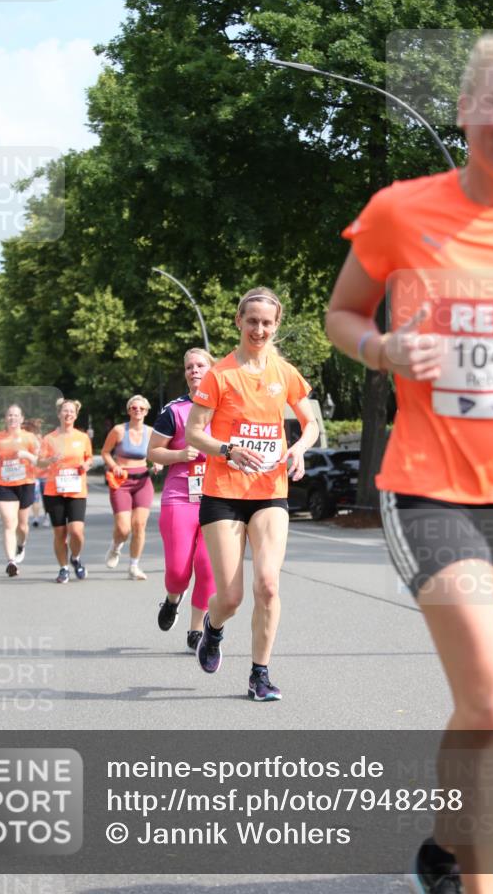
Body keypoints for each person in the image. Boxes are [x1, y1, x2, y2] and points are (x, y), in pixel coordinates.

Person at [325, 32, 493, 894]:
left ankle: (443, 847)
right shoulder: (401, 209)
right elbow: (341, 313)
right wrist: (384, 349)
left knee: (486, 710)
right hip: (431, 484)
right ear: (467, 107)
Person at [185, 287, 319, 701]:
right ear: (239, 322)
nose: (259, 329)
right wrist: (227, 449)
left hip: (269, 491)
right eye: (252, 321)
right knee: (231, 596)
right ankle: (213, 628)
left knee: (268, 585)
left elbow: (309, 423)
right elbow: (194, 432)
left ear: (276, 325)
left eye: (267, 322)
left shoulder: (285, 372)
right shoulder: (219, 374)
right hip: (223, 493)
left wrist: (298, 447)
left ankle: (259, 674)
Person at [148, 348, 217, 652]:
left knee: (208, 566)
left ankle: (196, 630)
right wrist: (179, 454)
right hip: (180, 496)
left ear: (212, 369)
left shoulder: (226, 408)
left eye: (200, 365)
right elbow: (153, 452)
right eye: (189, 367)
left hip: (218, 497)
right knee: (178, 571)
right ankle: (173, 598)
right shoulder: (174, 410)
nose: (194, 370)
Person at [101, 394, 160, 581]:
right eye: (134, 408)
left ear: (147, 411)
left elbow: (158, 453)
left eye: (142, 408)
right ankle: (116, 547)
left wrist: (158, 463)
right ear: (128, 411)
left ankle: (134, 566)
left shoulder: (151, 432)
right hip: (121, 481)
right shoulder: (119, 430)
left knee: (139, 525)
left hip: (143, 480)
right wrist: (114, 465)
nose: (138, 411)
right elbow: (105, 452)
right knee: (124, 528)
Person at [38, 398, 93, 584]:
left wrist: (86, 465)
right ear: (59, 414)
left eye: (71, 411)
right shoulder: (49, 438)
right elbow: (40, 462)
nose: (68, 414)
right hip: (54, 490)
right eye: (65, 411)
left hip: (77, 490)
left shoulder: (82, 437)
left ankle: (75, 558)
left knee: (76, 532)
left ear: (76, 415)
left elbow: (89, 459)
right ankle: (63, 568)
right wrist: (51, 459)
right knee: (60, 533)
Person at [0, 405, 39, 577]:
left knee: (22, 527)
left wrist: (26, 455)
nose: (12, 418)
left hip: (25, 483)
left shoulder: (30, 438)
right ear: (5, 418)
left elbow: (39, 461)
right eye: (9, 415)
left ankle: (21, 545)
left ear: (22, 419)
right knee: (9, 523)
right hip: (4, 484)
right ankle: (11, 562)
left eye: (16, 415)